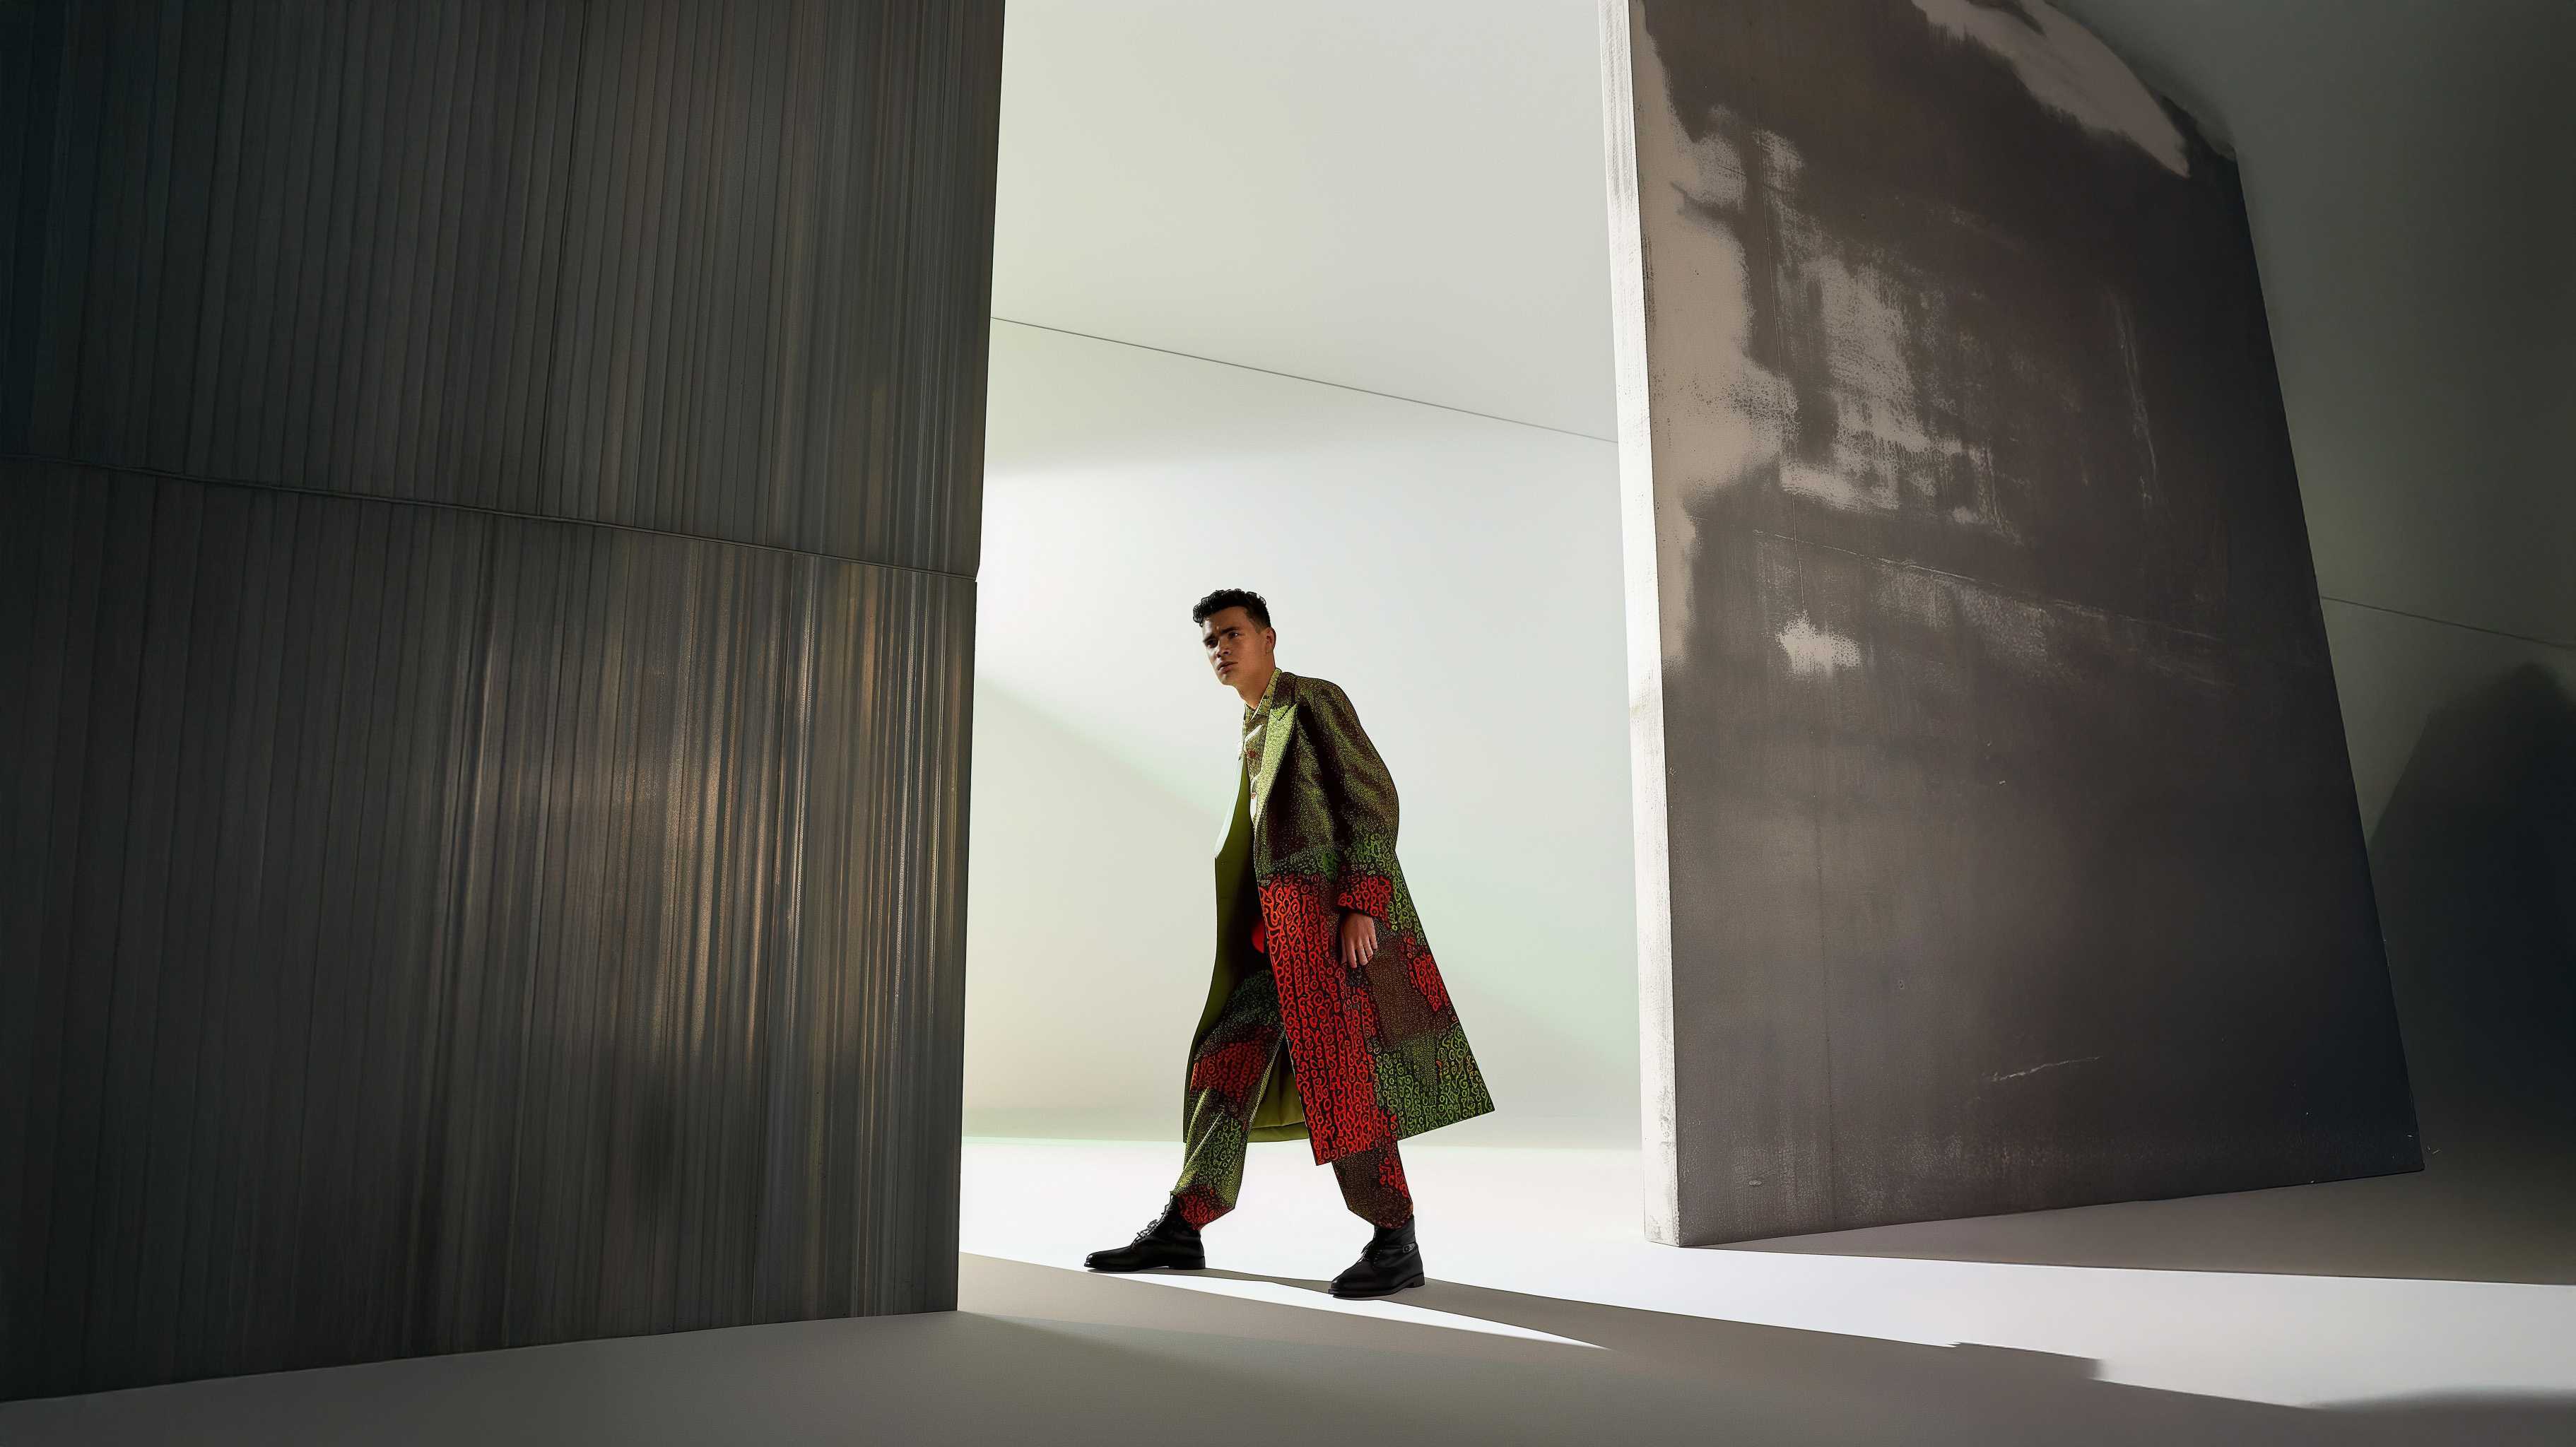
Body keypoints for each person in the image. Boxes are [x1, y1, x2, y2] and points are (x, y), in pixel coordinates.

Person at [1083, 588, 1496, 1297]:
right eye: (1211, 640)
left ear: (1268, 638)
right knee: (1224, 1064)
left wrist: (1362, 903)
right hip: (1276, 941)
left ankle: (1394, 1239)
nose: (1221, 648)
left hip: (1328, 933)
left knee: (1345, 1083)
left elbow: (1373, 799)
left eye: (1233, 633)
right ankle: (1186, 1220)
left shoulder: (1311, 701)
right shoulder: (1254, 724)